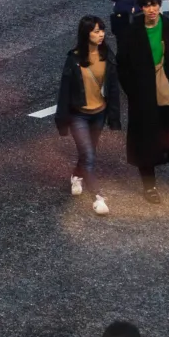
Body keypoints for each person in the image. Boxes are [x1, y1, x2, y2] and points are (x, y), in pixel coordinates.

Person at [116, 0, 169, 201]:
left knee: (163, 131)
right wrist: (132, 91)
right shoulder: (132, 32)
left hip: (165, 90)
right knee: (145, 137)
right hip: (142, 95)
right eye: (147, 5)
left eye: (155, 4)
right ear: (141, 8)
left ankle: (163, 160)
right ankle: (149, 185)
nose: (152, 9)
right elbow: (122, 65)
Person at [53, 15, 115, 213]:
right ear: (86, 33)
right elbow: (64, 92)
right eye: (96, 31)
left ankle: (76, 176)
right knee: (88, 155)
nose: (101, 34)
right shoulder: (74, 59)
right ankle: (98, 196)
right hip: (78, 115)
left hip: (99, 113)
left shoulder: (107, 55)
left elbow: (113, 86)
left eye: (102, 30)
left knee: (88, 152)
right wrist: (62, 120)